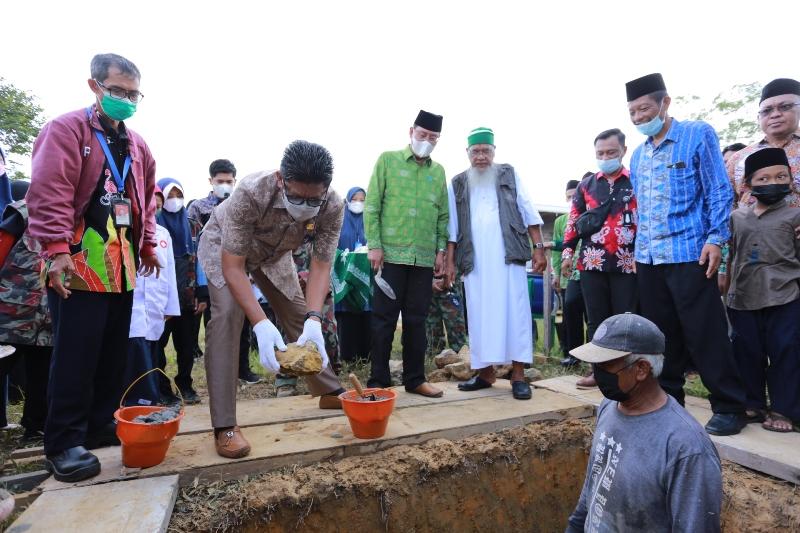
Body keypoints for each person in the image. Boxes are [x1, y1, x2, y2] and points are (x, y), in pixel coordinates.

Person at [27, 53, 160, 481]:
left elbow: (146, 199)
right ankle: (64, 442)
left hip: (121, 266)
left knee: (112, 354)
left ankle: (100, 424)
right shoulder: (66, 130)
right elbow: (50, 191)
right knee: (75, 355)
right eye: (117, 90)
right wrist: (55, 249)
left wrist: (147, 245)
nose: (126, 100)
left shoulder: (137, 144)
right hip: (78, 263)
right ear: (94, 86)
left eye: (133, 94)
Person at [197, 140, 345, 459]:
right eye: (296, 197)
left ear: (326, 188)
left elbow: (321, 265)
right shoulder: (251, 192)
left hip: (274, 254)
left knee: (298, 312)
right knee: (227, 317)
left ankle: (329, 390)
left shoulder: (333, 205)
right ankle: (225, 426)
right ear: (281, 179)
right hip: (225, 247)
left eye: (313, 200)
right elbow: (233, 267)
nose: (305, 206)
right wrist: (261, 323)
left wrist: (315, 319)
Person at [625, 72, 747, 436]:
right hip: (649, 258)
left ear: (665, 103)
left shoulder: (697, 134)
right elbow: (642, 209)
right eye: (632, 112)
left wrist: (716, 239)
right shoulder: (638, 155)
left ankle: (729, 404)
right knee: (661, 336)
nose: (638, 118)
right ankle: (669, 400)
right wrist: (638, 252)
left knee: (705, 331)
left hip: (690, 253)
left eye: (644, 109)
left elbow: (718, 190)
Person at [566, 313, 722, 532]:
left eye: (605, 365)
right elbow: (595, 482)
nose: (597, 374)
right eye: (595, 365)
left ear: (641, 369)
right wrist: (575, 526)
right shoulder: (609, 407)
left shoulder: (686, 447)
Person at [445, 127, 547, 400]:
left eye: (485, 151)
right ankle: (485, 373)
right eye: (476, 151)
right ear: (467, 153)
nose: (481, 156)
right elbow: (452, 227)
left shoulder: (508, 174)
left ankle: (518, 376)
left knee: (516, 313)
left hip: (508, 257)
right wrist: (450, 262)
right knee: (479, 315)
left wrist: (538, 249)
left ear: (494, 152)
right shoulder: (458, 182)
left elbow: (528, 211)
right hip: (474, 260)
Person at [365, 110, 449, 398]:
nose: (427, 141)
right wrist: (375, 245)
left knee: (416, 320)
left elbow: (443, 215)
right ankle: (378, 380)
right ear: (411, 132)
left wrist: (440, 250)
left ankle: (415, 379)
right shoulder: (387, 161)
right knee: (384, 320)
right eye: (423, 135)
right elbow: (372, 205)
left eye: (433, 138)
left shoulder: (438, 172)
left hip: (423, 259)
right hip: (390, 256)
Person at [725, 148, 800, 432]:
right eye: (764, 179)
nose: (773, 183)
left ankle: (784, 409)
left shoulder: (795, 217)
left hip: (785, 295)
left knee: (786, 351)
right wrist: (726, 284)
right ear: (748, 185)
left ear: (790, 180)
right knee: (746, 352)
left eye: (781, 177)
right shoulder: (737, 218)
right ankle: (752, 403)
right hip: (743, 296)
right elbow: (730, 254)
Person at [562, 129, 638, 389]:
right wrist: (567, 254)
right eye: (600, 153)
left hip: (627, 262)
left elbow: (647, 220)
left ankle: (626, 373)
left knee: (625, 319)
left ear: (623, 151)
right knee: (597, 320)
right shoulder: (586, 186)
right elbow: (573, 221)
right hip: (591, 261)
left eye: (611, 152)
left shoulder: (637, 181)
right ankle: (600, 373)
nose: (605, 157)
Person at [0, 181, 52, 441]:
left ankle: (35, 426)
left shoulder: (71, 218)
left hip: (47, 317)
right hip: (12, 314)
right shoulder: (22, 212)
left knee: (42, 372)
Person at [155, 178, 208, 405]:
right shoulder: (152, 222)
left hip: (187, 295)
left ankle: (185, 384)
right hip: (160, 297)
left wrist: (202, 292)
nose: (175, 200)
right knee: (157, 346)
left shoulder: (193, 224)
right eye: (170, 196)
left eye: (179, 195)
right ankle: (162, 389)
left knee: (186, 346)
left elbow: (200, 258)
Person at [126, 187, 180, 407]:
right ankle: (141, 401)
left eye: (157, 206)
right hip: (134, 304)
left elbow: (170, 271)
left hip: (156, 303)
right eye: (150, 205)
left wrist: (171, 307)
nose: (154, 210)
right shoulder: (127, 229)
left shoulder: (163, 233)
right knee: (136, 352)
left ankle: (150, 398)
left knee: (152, 351)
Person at [726, 78, 800, 208]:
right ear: (758, 118)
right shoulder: (737, 158)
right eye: (767, 110)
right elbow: (728, 203)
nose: (775, 114)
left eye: (785, 107)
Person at [335, 187, 371, 363]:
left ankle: (366, 357)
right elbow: (333, 244)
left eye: (362, 200)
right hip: (345, 273)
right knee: (347, 315)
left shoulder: (369, 220)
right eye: (355, 200)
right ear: (348, 201)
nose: (358, 203)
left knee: (366, 314)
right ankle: (347, 358)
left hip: (366, 274)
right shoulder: (340, 219)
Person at [551, 179, 584, 368]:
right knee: (565, 314)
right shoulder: (560, 222)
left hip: (586, 273)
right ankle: (569, 352)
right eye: (569, 196)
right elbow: (558, 252)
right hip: (566, 278)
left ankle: (591, 355)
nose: (572, 199)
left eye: (575, 196)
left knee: (590, 317)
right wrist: (556, 274)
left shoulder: (588, 215)